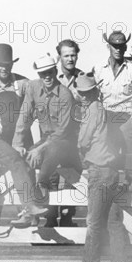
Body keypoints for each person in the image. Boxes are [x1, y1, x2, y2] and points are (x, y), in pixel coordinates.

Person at [12, 54, 81, 226]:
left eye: (49, 72)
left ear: (55, 71)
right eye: (43, 74)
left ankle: (41, 190)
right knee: (22, 159)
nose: (47, 77)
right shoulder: (33, 87)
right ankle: (30, 210)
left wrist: (40, 149)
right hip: (47, 139)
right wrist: (18, 143)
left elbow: (62, 133)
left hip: (67, 142)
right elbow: (24, 116)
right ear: (39, 75)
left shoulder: (65, 95)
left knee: (49, 157)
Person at [71, 74, 127, 262]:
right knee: (113, 221)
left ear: (91, 92)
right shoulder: (103, 110)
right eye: (83, 93)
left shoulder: (90, 112)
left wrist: (82, 157)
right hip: (112, 172)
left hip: (98, 172)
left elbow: (83, 142)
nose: (84, 97)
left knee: (94, 221)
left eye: (85, 93)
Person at [0, 44, 47, 226]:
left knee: (24, 169)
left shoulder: (23, 83)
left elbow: (40, 107)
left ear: (12, 65)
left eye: (7, 64)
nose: (3, 68)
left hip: (18, 139)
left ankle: (29, 214)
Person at [55, 39, 84, 226]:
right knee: (50, 175)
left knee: (72, 175)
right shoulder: (51, 76)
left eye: (73, 55)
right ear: (59, 57)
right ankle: (49, 217)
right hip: (54, 134)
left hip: (75, 135)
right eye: (66, 55)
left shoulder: (83, 77)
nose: (70, 59)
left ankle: (67, 216)